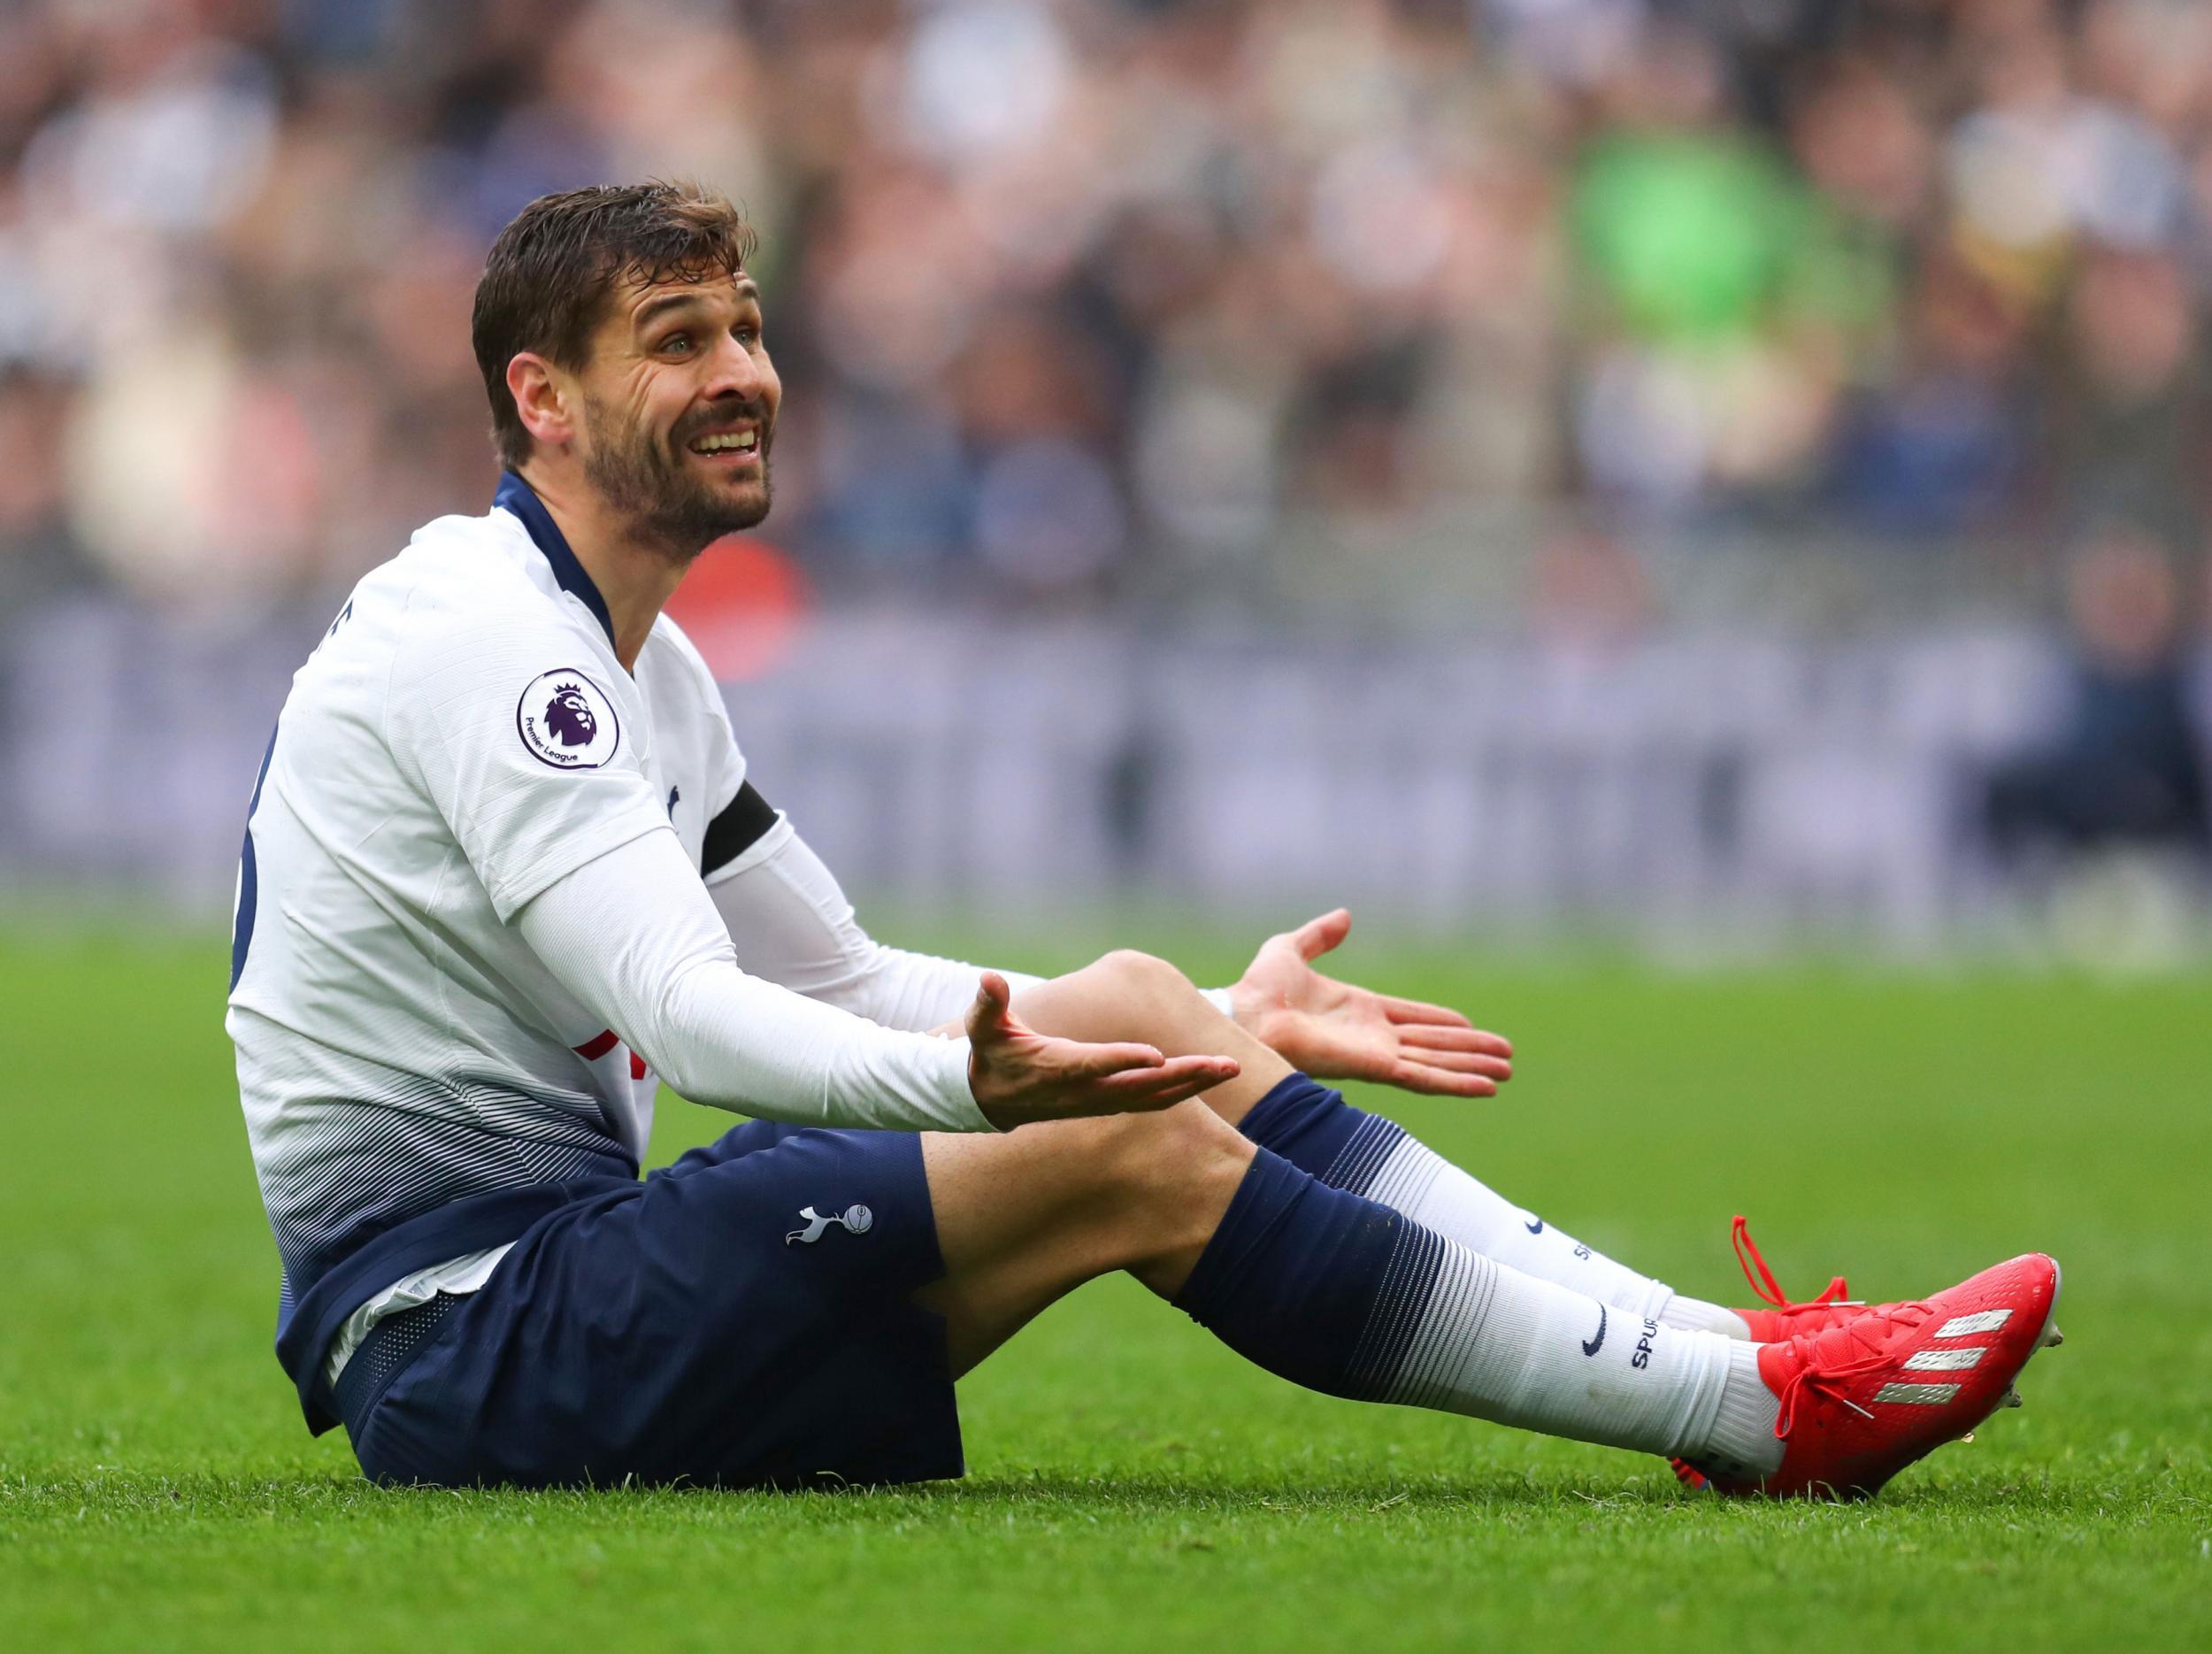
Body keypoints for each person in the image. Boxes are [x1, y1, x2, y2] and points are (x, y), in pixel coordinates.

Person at [227, 181, 2062, 1500]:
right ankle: (1764, 1412)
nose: (745, 372)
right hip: (463, 1341)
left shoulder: (640, 657)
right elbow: (697, 1022)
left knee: (1122, 1006)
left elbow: (840, 975)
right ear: (540, 399)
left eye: (748, 328)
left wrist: (1201, 1017)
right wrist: (992, 1080)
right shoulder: (495, 642)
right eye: (677, 339)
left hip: (551, 1290)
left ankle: (1728, 1360)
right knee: (1131, 1152)